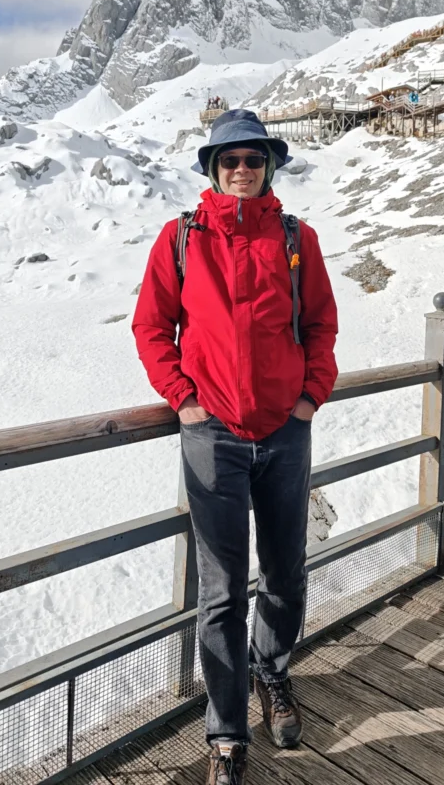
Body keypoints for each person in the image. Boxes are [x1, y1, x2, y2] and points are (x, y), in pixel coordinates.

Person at [132, 109, 338, 784]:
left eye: (253, 159)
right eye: (230, 161)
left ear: (268, 167)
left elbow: (320, 326)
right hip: (212, 433)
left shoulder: (296, 238)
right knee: (221, 592)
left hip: (284, 431)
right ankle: (226, 733)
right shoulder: (182, 239)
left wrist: (309, 398)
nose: (242, 170)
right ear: (213, 171)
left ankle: (272, 674)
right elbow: (152, 326)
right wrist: (183, 400)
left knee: (285, 572)